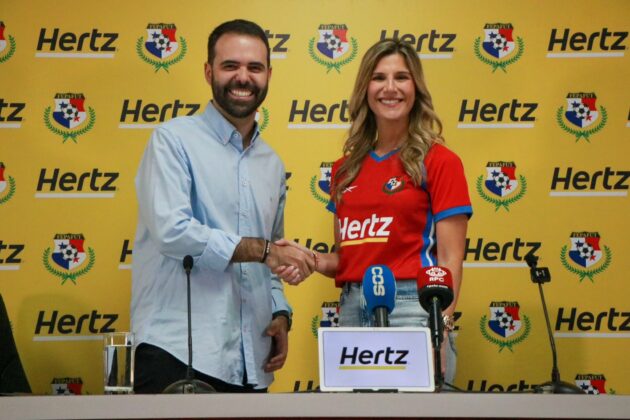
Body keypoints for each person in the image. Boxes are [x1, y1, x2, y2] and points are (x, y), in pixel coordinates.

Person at [131, 19, 314, 393]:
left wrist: (280, 313)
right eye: (231, 65)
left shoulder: (271, 163)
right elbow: (172, 232)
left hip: (251, 362)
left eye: (254, 67)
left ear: (268, 75)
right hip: (177, 353)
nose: (243, 77)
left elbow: (272, 254)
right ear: (208, 71)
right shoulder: (172, 140)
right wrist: (263, 251)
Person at [277, 38, 472, 385]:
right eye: (379, 77)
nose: (390, 88)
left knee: (418, 411)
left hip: (415, 309)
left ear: (416, 88)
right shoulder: (345, 168)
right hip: (352, 309)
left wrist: (440, 328)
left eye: (402, 77)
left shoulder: (441, 161)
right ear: (365, 89)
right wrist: (310, 260)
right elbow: (349, 257)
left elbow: (450, 259)